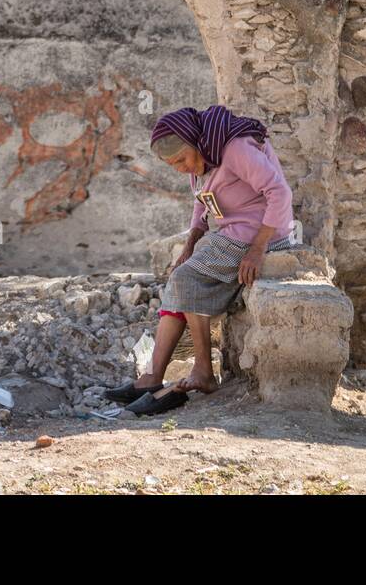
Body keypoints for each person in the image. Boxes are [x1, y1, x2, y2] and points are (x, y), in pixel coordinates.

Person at [104, 104, 295, 416]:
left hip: (258, 235)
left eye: (182, 159)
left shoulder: (234, 148)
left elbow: (280, 193)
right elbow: (202, 202)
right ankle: (153, 377)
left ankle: (204, 372)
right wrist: (192, 239)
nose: (180, 168)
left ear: (195, 141)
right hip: (230, 233)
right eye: (173, 164)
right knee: (180, 278)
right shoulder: (204, 157)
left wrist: (258, 249)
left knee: (186, 279)